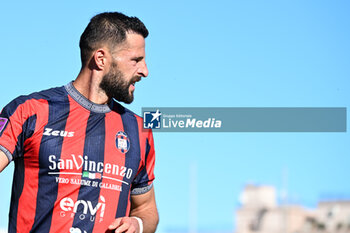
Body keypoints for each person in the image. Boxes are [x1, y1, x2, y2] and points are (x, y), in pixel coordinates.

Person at [0, 12, 158, 233]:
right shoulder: (31, 111)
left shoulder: (139, 132)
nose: (145, 71)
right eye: (136, 60)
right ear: (101, 59)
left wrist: (138, 224)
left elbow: (147, 209)